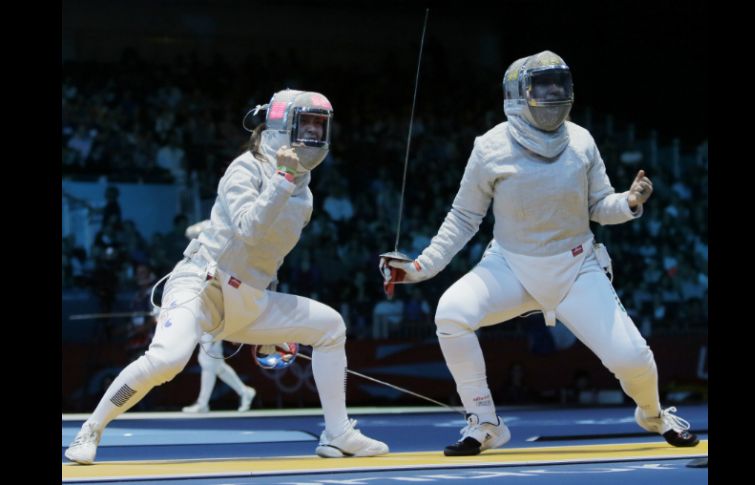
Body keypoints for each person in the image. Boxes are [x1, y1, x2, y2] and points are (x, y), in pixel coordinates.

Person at [380, 51, 699, 456]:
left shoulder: (582, 140)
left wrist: (630, 202)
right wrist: (422, 267)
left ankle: (654, 415)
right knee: (451, 313)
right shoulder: (490, 146)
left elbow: (599, 205)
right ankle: (485, 423)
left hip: (575, 269)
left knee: (633, 358)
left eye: (559, 84)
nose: (553, 92)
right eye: (542, 84)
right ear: (518, 93)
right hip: (510, 266)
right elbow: (463, 217)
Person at [65, 89, 388, 464]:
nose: (315, 133)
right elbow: (250, 229)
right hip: (201, 285)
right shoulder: (245, 169)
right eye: (308, 124)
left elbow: (269, 256)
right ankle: (91, 429)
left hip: (249, 299)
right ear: (283, 126)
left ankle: (338, 433)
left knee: (330, 326)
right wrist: (282, 178)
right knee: (168, 360)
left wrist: (273, 332)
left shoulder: (305, 194)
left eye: (321, 125)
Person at [180, 220, 257, 414]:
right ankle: (244, 391)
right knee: (215, 363)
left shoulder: (222, 257)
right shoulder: (201, 258)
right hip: (208, 311)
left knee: (207, 359)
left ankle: (203, 403)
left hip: (220, 313)